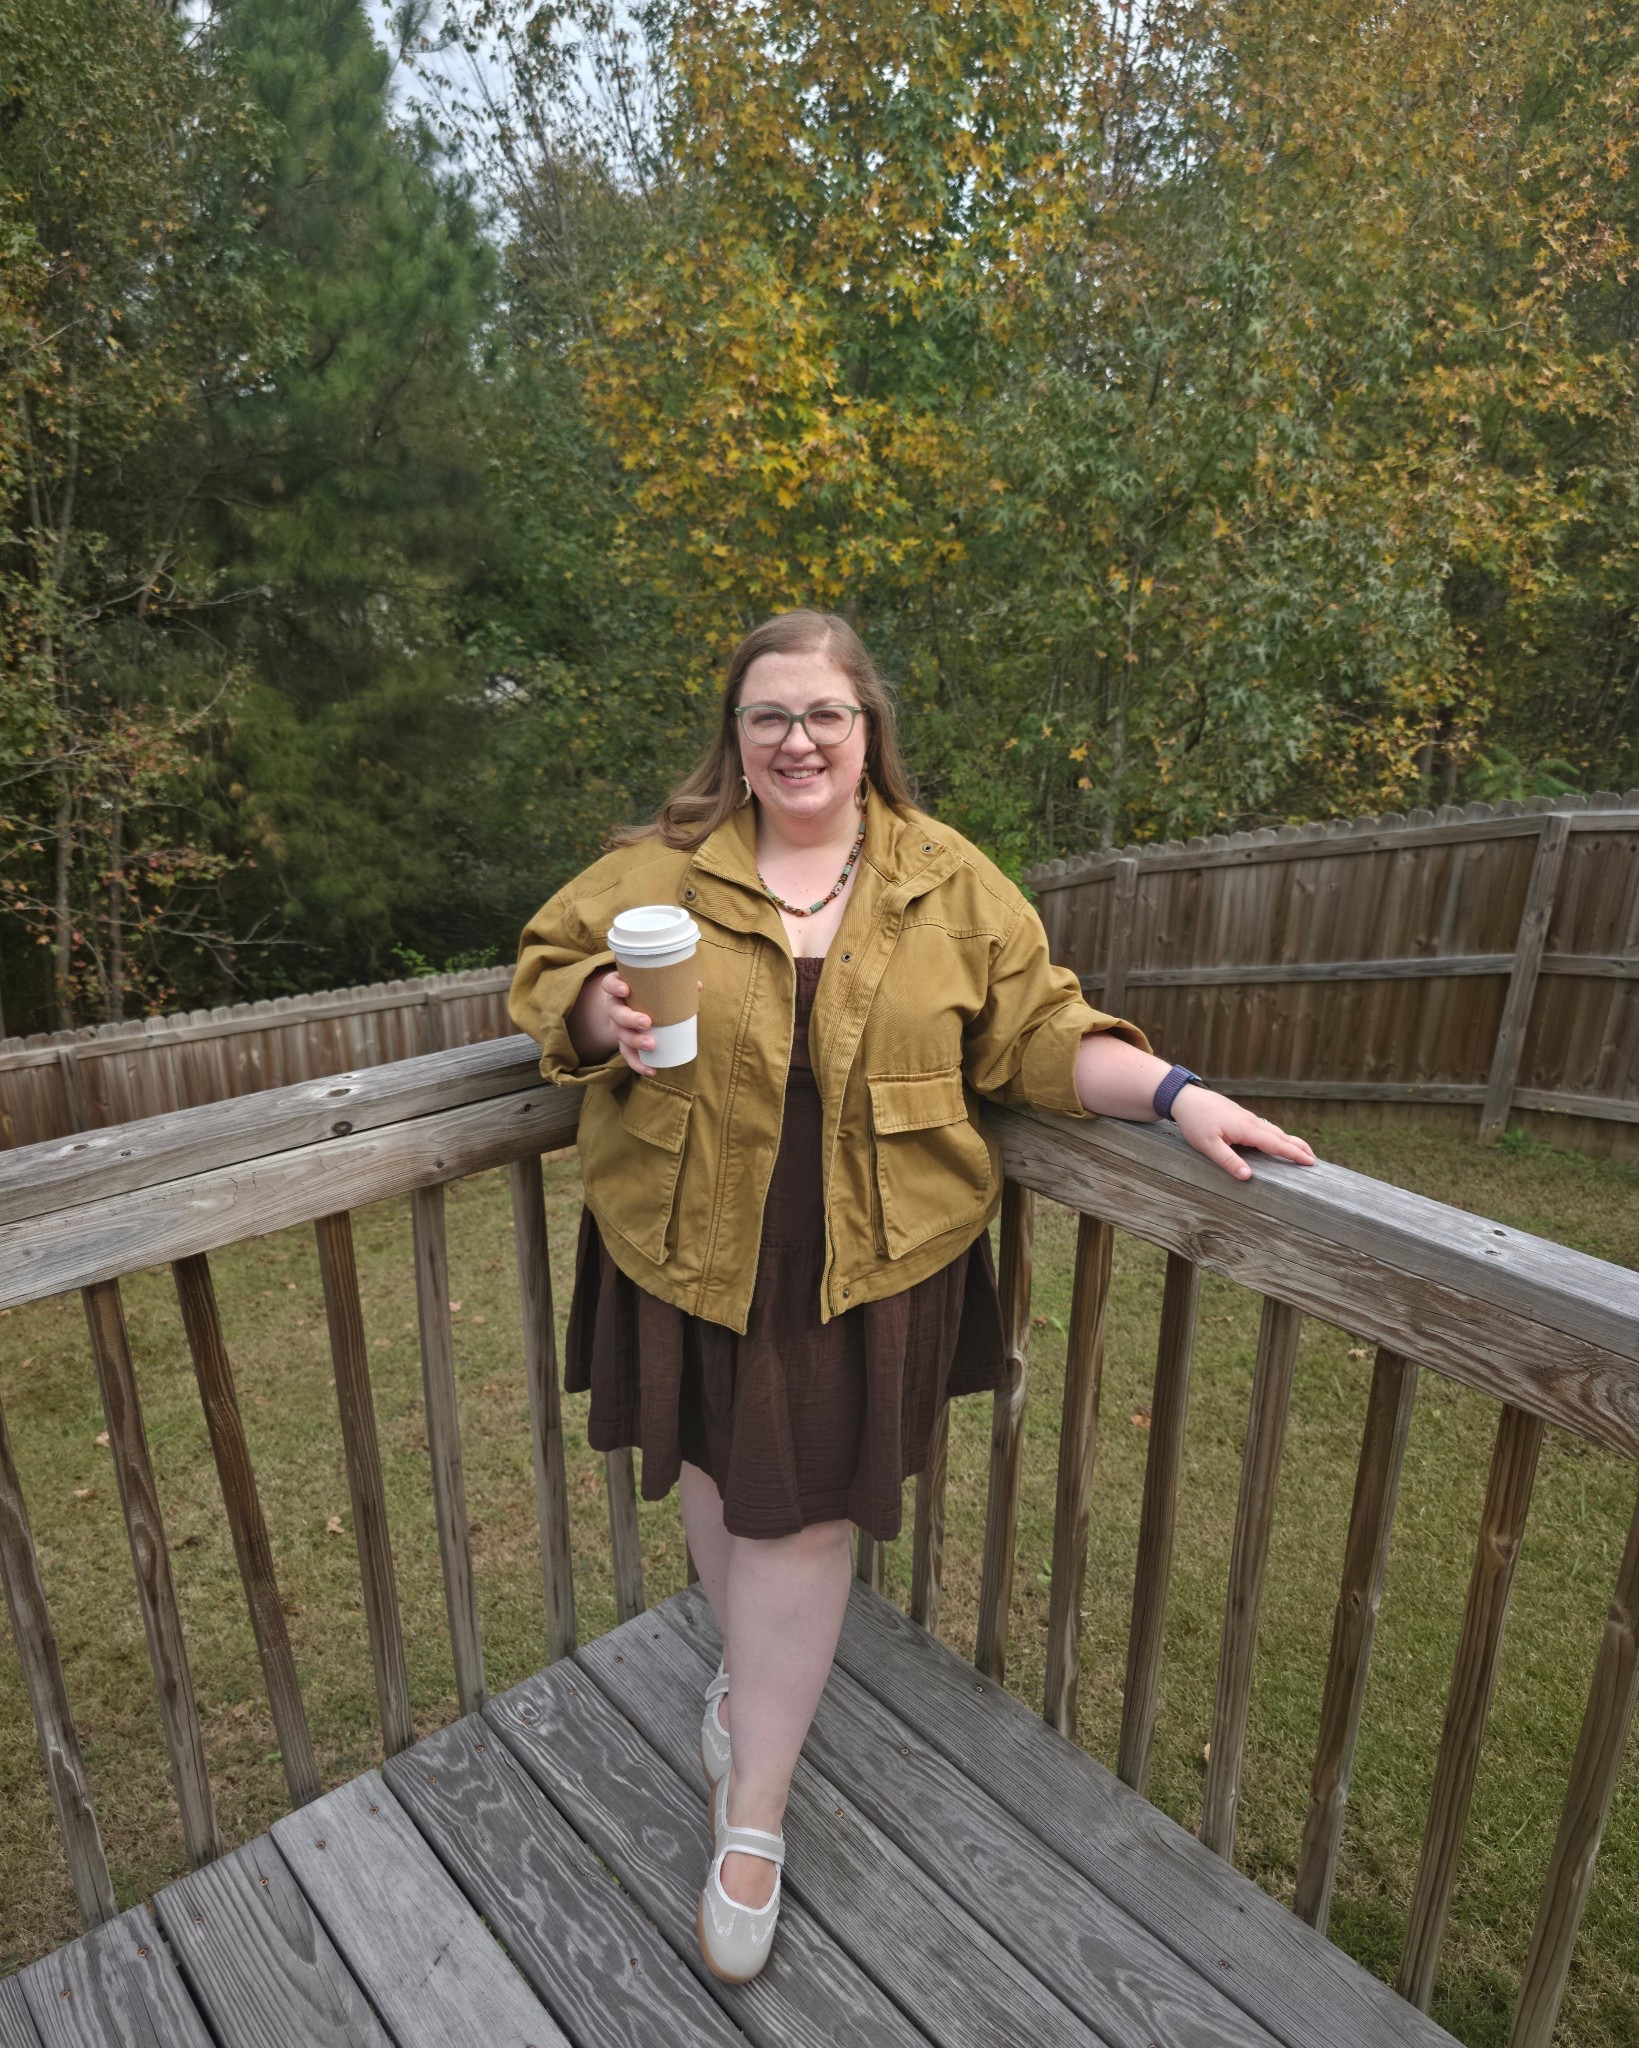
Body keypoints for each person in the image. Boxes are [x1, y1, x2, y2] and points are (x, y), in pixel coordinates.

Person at [507, 609, 1315, 1984]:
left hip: (869, 1257)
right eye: (770, 716)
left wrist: (1176, 1093)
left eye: (826, 713)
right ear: (737, 739)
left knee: (805, 1521)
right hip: (687, 1233)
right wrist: (600, 1014)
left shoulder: (950, 883)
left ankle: (750, 1812)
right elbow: (543, 975)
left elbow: (1044, 1033)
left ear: (868, 729)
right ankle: (742, 1688)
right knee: (713, 1468)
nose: (799, 739)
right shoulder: (655, 869)